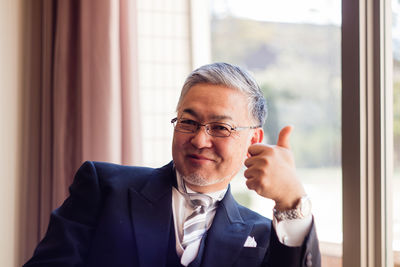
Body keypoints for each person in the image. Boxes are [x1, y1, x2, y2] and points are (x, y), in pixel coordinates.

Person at [23, 62, 321, 267]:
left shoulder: (264, 235)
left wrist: (292, 201)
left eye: (220, 127)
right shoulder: (103, 187)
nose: (200, 140)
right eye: (189, 122)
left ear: (253, 138)